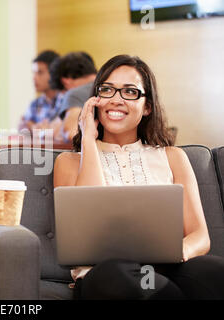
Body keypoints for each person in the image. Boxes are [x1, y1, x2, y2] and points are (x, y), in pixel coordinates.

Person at [53, 54, 224, 299]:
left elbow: (200, 236)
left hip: (170, 265)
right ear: (95, 100)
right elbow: (90, 234)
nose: (116, 100)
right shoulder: (69, 163)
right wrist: (88, 139)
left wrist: (178, 252)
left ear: (147, 107)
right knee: (133, 283)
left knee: (215, 273)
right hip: (104, 271)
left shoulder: (173, 157)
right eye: (107, 90)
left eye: (130, 92)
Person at [48, 52, 97, 141]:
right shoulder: (109, 86)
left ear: (65, 82)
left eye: (63, 93)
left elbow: (71, 134)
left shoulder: (74, 94)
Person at [18, 50, 61, 136]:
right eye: (34, 73)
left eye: (40, 73)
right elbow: (22, 126)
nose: (34, 78)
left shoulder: (65, 100)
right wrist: (32, 126)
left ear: (54, 74)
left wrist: (33, 125)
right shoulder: (35, 103)